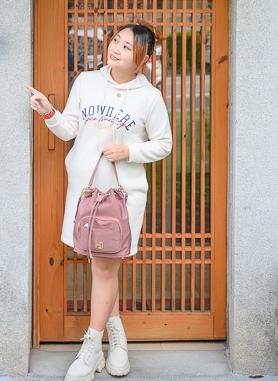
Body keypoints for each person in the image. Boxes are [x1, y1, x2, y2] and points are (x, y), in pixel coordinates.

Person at [25, 23, 173, 381]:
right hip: (84, 192)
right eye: (115, 41)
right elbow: (70, 129)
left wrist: (129, 151)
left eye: (127, 46)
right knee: (102, 264)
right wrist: (48, 111)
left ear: (144, 59)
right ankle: (118, 340)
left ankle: (91, 348)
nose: (116, 48)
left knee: (105, 266)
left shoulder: (149, 97)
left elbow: (164, 143)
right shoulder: (86, 82)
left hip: (121, 198)